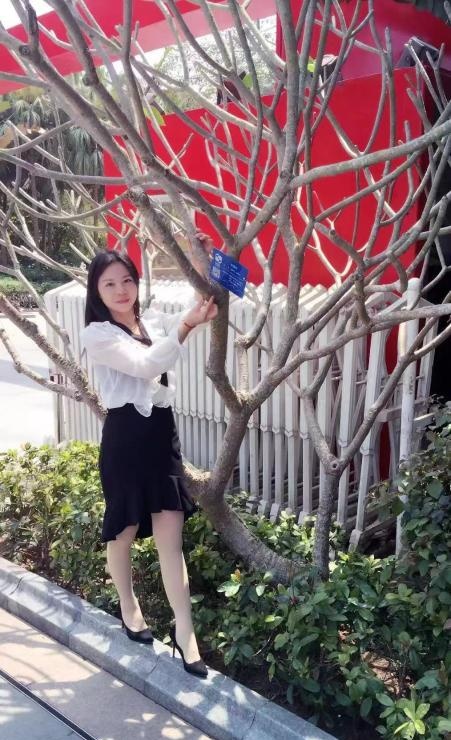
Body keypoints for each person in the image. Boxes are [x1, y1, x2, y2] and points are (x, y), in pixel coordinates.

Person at [81, 243, 217, 678]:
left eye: (127, 280)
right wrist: (186, 327)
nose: (121, 290)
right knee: (122, 531)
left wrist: (200, 262)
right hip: (125, 439)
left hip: (161, 438)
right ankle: (128, 606)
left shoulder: (152, 321)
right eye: (109, 284)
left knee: (170, 540)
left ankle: (185, 631)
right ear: (96, 291)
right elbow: (143, 365)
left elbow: (194, 310)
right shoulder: (97, 335)